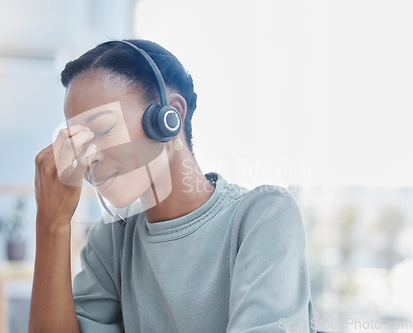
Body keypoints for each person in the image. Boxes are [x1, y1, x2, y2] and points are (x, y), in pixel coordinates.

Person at [29, 39, 316, 333]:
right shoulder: (113, 240)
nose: (89, 157)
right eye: (80, 140)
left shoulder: (263, 217)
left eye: (103, 129)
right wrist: (52, 223)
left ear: (170, 117)